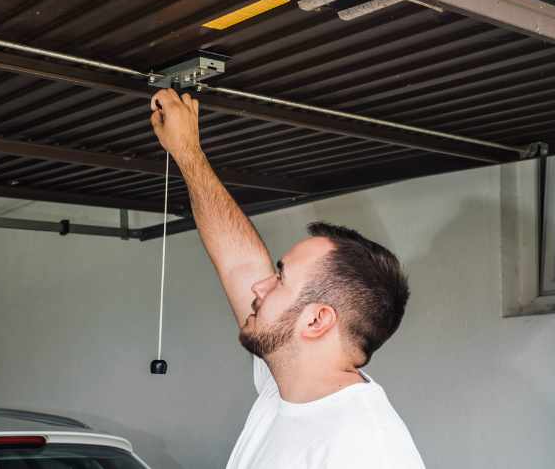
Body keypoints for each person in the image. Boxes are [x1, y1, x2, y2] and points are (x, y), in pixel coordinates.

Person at [149, 88, 426, 469]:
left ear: (316, 320)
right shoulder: (285, 387)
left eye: (279, 279)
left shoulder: (366, 449)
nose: (260, 286)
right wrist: (187, 153)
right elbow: (239, 263)